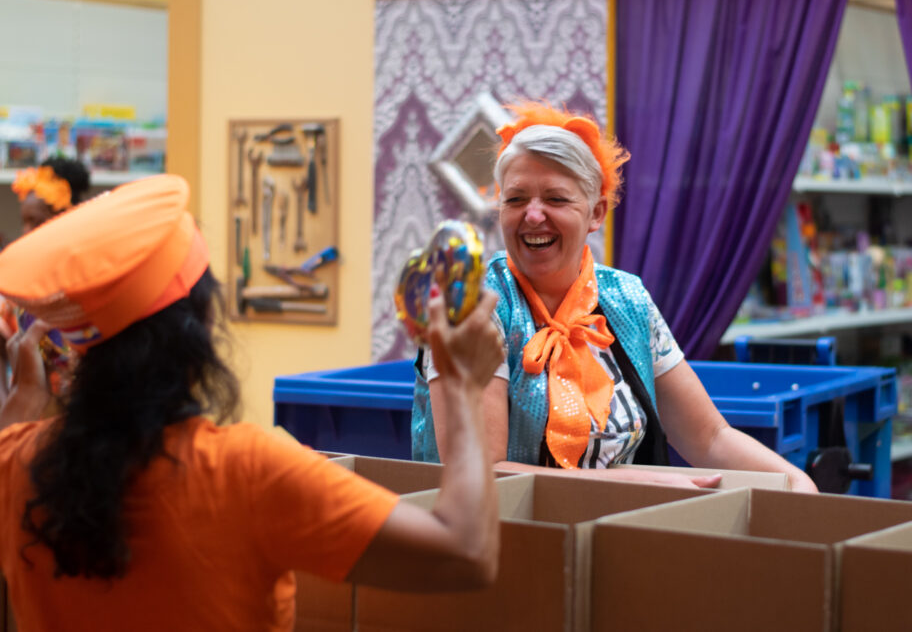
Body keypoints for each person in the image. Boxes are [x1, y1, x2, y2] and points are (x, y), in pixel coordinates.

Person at [0, 175, 505, 630]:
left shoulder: (19, 466)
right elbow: (465, 552)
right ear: (198, 329)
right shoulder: (247, 470)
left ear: (78, 346)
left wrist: (23, 396)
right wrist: (461, 386)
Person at [412, 102, 818, 493]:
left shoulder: (627, 299)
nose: (533, 215)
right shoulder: (469, 307)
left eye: (556, 199)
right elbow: (482, 474)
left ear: (597, 213)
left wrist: (794, 480)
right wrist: (634, 483)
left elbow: (710, 437)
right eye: (516, 199)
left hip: (619, 524)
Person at [0, 157, 92, 400]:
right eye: (24, 222)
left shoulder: (90, 281)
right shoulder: (18, 292)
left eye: (36, 221)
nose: (26, 232)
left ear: (64, 218)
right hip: (30, 412)